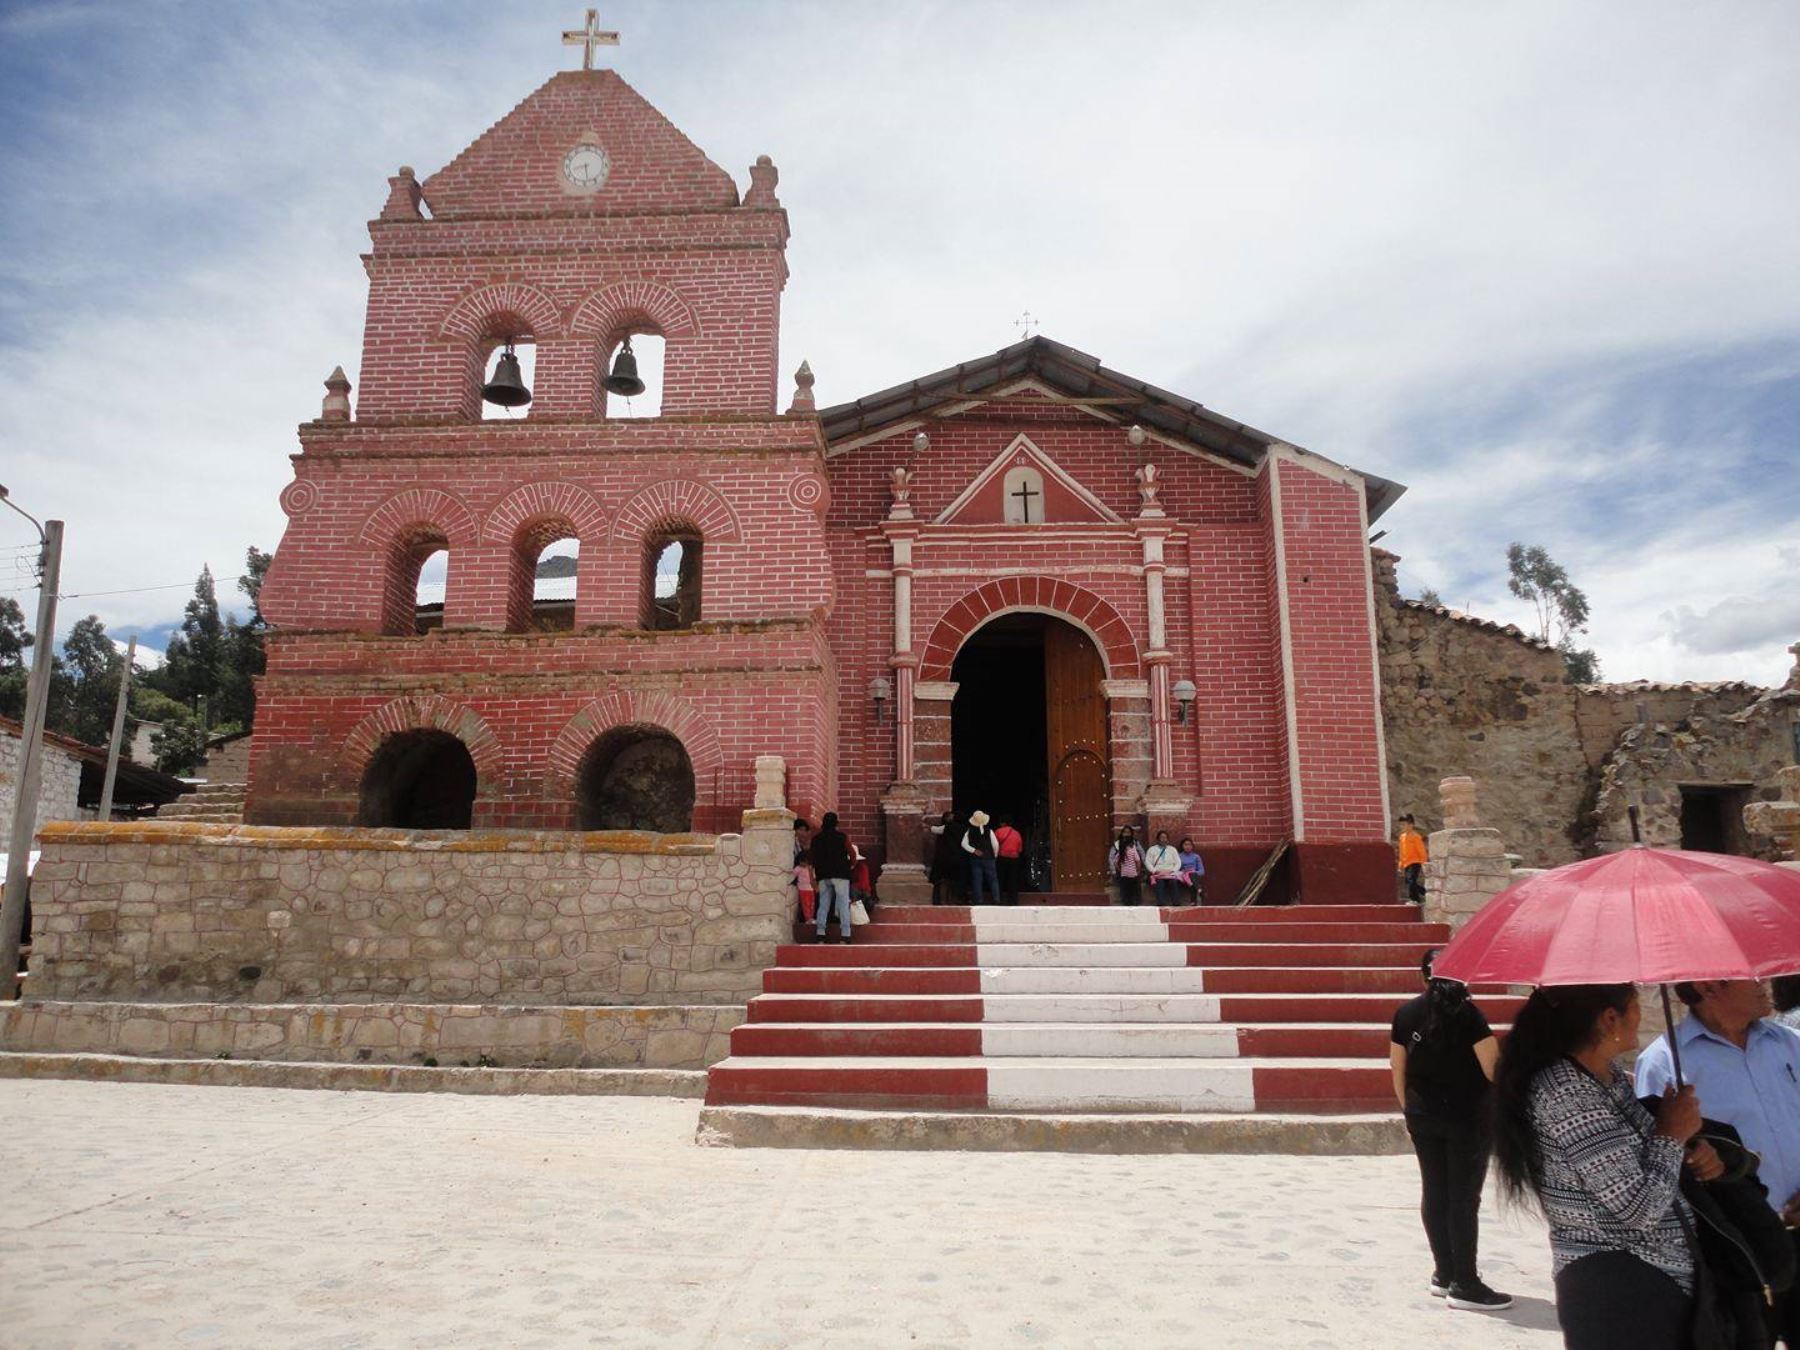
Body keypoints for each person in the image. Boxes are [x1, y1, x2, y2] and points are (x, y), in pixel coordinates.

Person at [1492, 983, 1701, 1348]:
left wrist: (1683, 1138)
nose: (1640, 1015)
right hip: (1620, 1288)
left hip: (1653, 1281)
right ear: (1609, 1019)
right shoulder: (1567, 1093)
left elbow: (1641, 1158)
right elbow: (1637, 1207)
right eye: (1636, 1005)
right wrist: (1672, 1135)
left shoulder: (1607, 1075)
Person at [1636, 980, 1800, 1347]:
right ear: (1709, 987)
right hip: (1740, 1248)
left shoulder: (1789, 1044)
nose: (1764, 984)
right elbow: (1659, 1160)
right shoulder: (1665, 1062)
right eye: (1749, 977)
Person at [1389, 949, 1505, 1310]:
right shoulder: (1469, 1015)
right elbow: (1492, 1070)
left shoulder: (1406, 1013)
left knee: (1435, 1192)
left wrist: (1409, 1111)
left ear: (1423, 977)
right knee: (1463, 1198)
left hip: (1424, 1117)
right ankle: (1466, 1283)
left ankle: (1444, 1273)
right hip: (1467, 1118)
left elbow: (1398, 1071)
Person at [811, 812, 854, 944]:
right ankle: (845, 935)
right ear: (836, 823)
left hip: (823, 875)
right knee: (842, 904)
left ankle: (820, 934)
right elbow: (852, 854)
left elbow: (813, 858)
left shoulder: (816, 839)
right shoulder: (842, 837)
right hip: (841, 874)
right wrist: (850, 866)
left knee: (823, 904)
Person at [962, 810, 999, 905]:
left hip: (975, 859)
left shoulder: (969, 831)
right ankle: (996, 899)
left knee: (977, 880)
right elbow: (995, 845)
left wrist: (973, 850)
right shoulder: (989, 831)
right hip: (989, 858)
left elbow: (963, 844)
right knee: (993, 879)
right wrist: (994, 855)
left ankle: (979, 900)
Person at [928, 810, 963, 907]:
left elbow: (934, 829)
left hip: (945, 858)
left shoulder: (946, 827)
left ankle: (943, 901)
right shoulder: (961, 829)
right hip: (957, 858)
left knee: (943, 880)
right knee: (954, 881)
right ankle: (952, 900)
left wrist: (926, 825)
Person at [1145, 830, 1183, 908]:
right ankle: (1161, 904)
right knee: (1159, 882)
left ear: (1168, 839)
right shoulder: (1152, 849)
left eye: (1165, 838)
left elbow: (1178, 862)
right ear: (1158, 839)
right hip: (1158, 874)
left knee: (1174, 882)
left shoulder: (1172, 849)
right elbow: (1148, 862)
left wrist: (1172, 871)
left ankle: (1176, 903)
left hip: (1170, 873)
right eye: (1161, 837)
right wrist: (1155, 871)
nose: (1163, 839)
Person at [1108, 827, 1145, 906]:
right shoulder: (1117, 844)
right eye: (1125, 832)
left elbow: (1141, 854)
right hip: (1123, 871)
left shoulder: (1135, 843)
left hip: (1132, 870)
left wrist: (1141, 868)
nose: (1126, 834)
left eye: (1128, 832)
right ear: (1121, 833)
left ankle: (1133, 902)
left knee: (1134, 887)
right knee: (1126, 887)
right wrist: (1114, 870)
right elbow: (1112, 858)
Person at [992, 815, 1024, 905]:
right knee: (1013, 880)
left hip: (1002, 857)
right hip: (1014, 859)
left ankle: (999, 899)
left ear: (1002, 823)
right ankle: (1013, 901)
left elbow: (994, 845)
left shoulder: (998, 831)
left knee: (1000, 879)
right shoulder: (1017, 833)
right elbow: (1020, 849)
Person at [1397, 814, 1428, 904]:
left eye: (1404, 824)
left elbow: (1421, 850)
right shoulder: (1402, 837)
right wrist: (1400, 864)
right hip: (1406, 863)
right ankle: (1425, 893)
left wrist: (1423, 862)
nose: (1401, 826)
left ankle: (1414, 899)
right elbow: (1402, 852)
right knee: (1410, 882)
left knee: (1411, 881)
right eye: (1400, 824)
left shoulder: (1416, 837)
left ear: (1411, 825)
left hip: (1415, 862)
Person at [1176, 837, 1205, 905]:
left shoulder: (1196, 857)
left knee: (1192, 876)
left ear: (1192, 846)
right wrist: (1185, 872)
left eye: (1189, 845)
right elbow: (1177, 869)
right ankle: (1200, 891)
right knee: (1190, 876)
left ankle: (1193, 902)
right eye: (1185, 844)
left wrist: (1193, 872)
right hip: (1183, 876)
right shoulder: (1179, 856)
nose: (1187, 846)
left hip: (1194, 876)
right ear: (1182, 846)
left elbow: (1202, 871)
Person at [792, 848, 817, 927]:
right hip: (803, 889)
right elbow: (792, 874)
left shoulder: (811, 868)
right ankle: (807, 919)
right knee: (805, 904)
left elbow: (814, 877)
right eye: (800, 861)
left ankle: (811, 918)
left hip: (811, 889)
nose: (801, 863)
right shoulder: (798, 868)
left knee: (812, 904)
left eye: (803, 861)